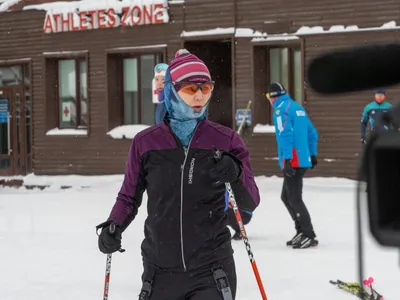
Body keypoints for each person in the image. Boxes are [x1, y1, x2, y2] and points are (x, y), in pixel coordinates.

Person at [97, 49, 260, 300]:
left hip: (212, 268)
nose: (199, 96)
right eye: (190, 89)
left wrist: (236, 173)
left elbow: (250, 201)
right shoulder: (146, 143)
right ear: (172, 90)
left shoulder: (226, 140)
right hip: (160, 270)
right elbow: (128, 197)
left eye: (205, 88)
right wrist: (114, 225)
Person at [266, 82, 319, 249]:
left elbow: (285, 135)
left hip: (293, 160)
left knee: (294, 198)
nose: (269, 100)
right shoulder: (297, 108)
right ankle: (301, 231)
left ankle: (308, 234)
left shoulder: (282, 110)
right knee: (287, 197)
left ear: (274, 96)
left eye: (269, 97)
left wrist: (287, 159)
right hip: (301, 158)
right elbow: (312, 133)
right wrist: (312, 153)